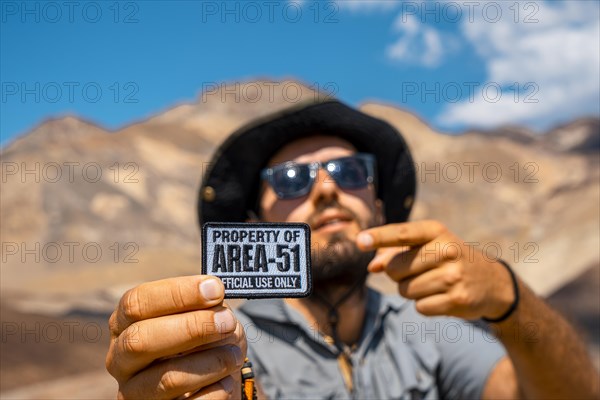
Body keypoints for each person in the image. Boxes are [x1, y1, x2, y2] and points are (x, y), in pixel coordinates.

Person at [106, 99, 598, 399]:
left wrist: (511, 301)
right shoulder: (226, 344)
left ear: (379, 208)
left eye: (349, 172)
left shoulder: (430, 334)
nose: (325, 191)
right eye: (291, 180)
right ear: (255, 224)